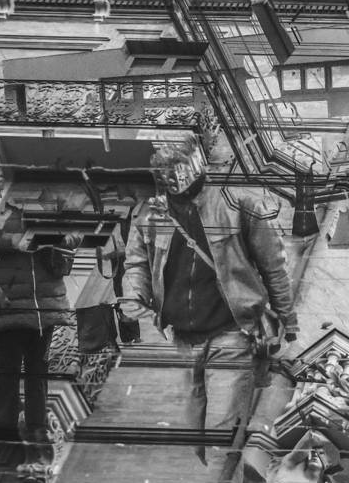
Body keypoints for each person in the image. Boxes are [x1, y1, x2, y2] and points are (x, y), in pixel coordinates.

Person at [121, 135, 299, 448]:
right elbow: (137, 264)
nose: (173, 180)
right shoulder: (149, 215)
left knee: (220, 433)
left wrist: (288, 323)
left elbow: (274, 267)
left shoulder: (239, 205)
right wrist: (134, 299)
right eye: (166, 173)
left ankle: (220, 475)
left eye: (176, 170)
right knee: (190, 434)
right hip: (178, 339)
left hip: (232, 334)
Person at [0, 228, 77, 443]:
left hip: (43, 310)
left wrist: (60, 239)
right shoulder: (2, 215)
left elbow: (76, 238)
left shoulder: (53, 215)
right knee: (7, 372)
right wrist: (17, 240)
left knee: (37, 372)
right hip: (9, 308)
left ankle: (37, 427)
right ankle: (5, 428)